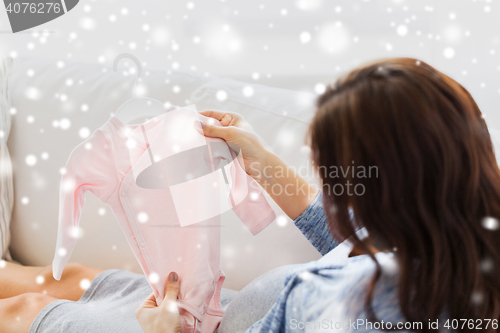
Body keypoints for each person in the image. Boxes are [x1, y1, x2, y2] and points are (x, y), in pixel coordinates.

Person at [1, 57, 499, 333]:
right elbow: (355, 241)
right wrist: (262, 162)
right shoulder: (454, 245)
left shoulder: (345, 312)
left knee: (20, 312)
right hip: (238, 310)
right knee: (69, 279)